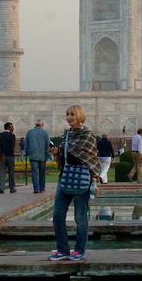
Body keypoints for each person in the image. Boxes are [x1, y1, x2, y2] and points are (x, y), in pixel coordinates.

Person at [50, 105, 101, 261]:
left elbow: (91, 158)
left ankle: (79, 250)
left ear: (79, 116)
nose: (69, 117)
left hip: (82, 179)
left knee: (80, 218)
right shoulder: (67, 134)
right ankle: (63, 250)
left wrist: (94, 180)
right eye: (67, 114)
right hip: (65, 177)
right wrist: (57, 151)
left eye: (72, 114)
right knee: (58, 215)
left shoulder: (87, 134)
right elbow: (67, 153)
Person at [24, 120, 51, 193]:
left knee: (34, 172)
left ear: (35, 124)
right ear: (42, 124)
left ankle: (36, 188)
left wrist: (27, 151)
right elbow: (48, 145)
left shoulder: (30, 132)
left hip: (33, 155)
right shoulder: (45, 132)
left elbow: (26, 143)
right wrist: (49, 155)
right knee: (42, 173)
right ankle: (42, 188)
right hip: (42, 156)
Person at [0, 122, 17, 193]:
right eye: (12, 127)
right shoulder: (12, 136)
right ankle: (12, 188)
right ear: (8, 128)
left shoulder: (0, 135)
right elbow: (12, 146)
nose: (13, 128)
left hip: (2, 157)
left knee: (2, 172)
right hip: (10, 156)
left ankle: (1, 188)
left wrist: (2, 154)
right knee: (11, 173)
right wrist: (6, 154)